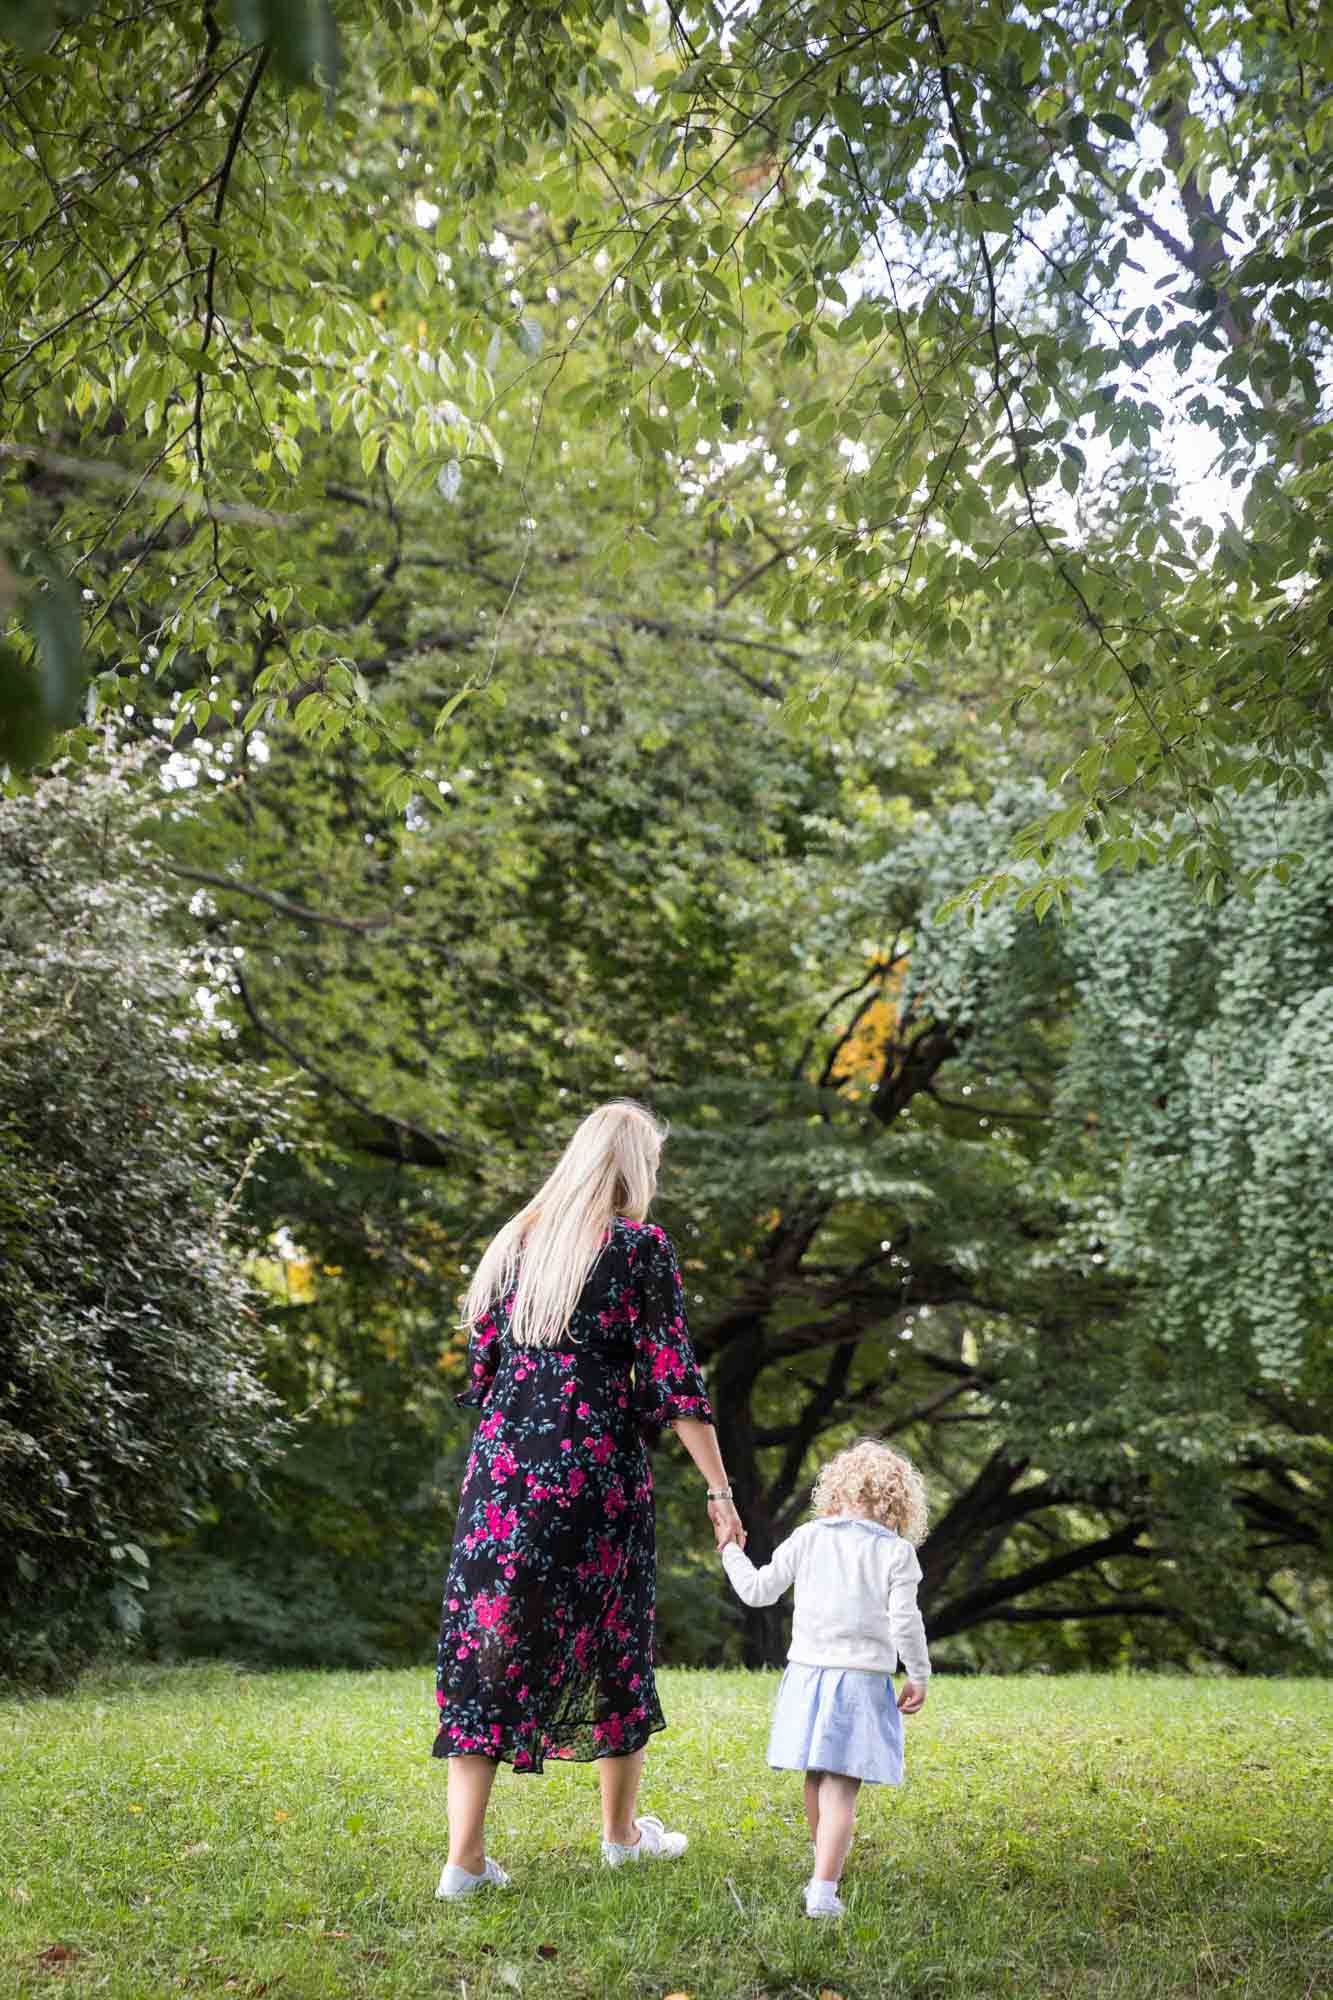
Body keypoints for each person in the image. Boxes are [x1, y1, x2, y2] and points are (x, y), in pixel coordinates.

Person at [433, 1098, 744, 1900]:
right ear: (634, 1167)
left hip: (503, 1471)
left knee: (487, 1646)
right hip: (593, 1474)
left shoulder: (515, 1243)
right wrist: (719, 1490)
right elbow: (674, 1380)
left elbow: (484, 1373)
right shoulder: (639, 1248)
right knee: (614, 1637)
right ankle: (619, 1838)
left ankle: (462, 1862)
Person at [719, 1438, 930, 1920]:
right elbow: (905, 1621)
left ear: (835, 1491)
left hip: (807, 1677)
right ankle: (824, 1889)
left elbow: (756, 1592)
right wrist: (917, 1673)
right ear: (899, 1503)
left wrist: (732, 1550)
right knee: (840, 1788)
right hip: (858, 1682)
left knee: (816, 1778)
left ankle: (824, 1867)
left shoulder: (808, 1537)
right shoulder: (896, 1553)